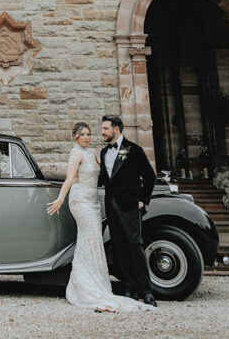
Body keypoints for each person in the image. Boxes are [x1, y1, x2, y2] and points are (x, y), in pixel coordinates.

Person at [47, 121, 154, 313]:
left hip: (96, 203)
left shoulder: (98, 153)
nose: (88, 137)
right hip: (81, 201)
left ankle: (132, 289)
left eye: (90, 133)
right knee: (92, 239)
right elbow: (70, 178)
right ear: (75, 137)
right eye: (83, 134)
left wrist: (140, 198)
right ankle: (87, 285)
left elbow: (107, 176)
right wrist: (60, 199)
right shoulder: (76, 153)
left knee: (99, 241)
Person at [99, 114, 158, 307]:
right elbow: (106, 179)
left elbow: (150, 177)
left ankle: (146, 291)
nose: (102, 131)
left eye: (105, 128)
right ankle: (129, 288)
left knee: (135, 246)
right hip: (112, 207)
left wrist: (142, 200)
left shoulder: (134, 150)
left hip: (130, 207)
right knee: (119, 247)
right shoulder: (103, 153)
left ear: (116, 129)